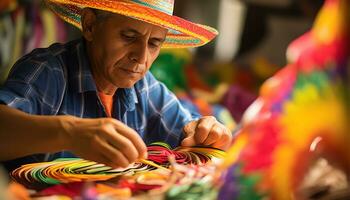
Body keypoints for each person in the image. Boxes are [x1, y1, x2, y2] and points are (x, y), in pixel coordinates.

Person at [0, 0, 232, 171]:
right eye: (129, 36)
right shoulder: (47, 71)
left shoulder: (144, 87)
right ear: (90, 25)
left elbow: (191, 134)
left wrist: (207, 133)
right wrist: (69, 132)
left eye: (153, 43)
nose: (141, 58)